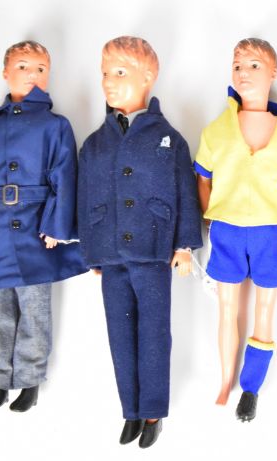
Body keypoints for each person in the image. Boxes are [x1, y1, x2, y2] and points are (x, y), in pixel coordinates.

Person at [77, 36, 202, 448]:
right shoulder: (95, 144)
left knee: (154, 333)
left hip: (153, 248)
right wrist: (91, 251)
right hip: (110, 251)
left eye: (119, 73)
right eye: (104, 74)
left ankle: (152, 411)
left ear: (148, 77)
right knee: (119, 333)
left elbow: (184, 190)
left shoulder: (169, 138)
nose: (109, 82)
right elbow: (85, 196)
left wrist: (184, 245)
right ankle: (129, 410)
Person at [0, 40, 87, 413]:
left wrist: (57, 227)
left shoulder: (55, 126)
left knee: (34, 308)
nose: (32, 74)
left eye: (40, 69)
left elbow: (64, 177)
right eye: (22, 66)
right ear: (6, 73)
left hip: (36, 229)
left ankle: (30, 380)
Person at [194, 38, 277, 422]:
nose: (244, 73)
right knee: (226, 308)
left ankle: (251, 387)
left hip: (270, 233)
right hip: (226, 230)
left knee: (264, 309)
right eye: (238, 66)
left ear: (273, 72)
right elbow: (203, 178)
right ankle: (225, 379)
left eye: (254, 65)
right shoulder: (218, 129)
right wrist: (208, 216)